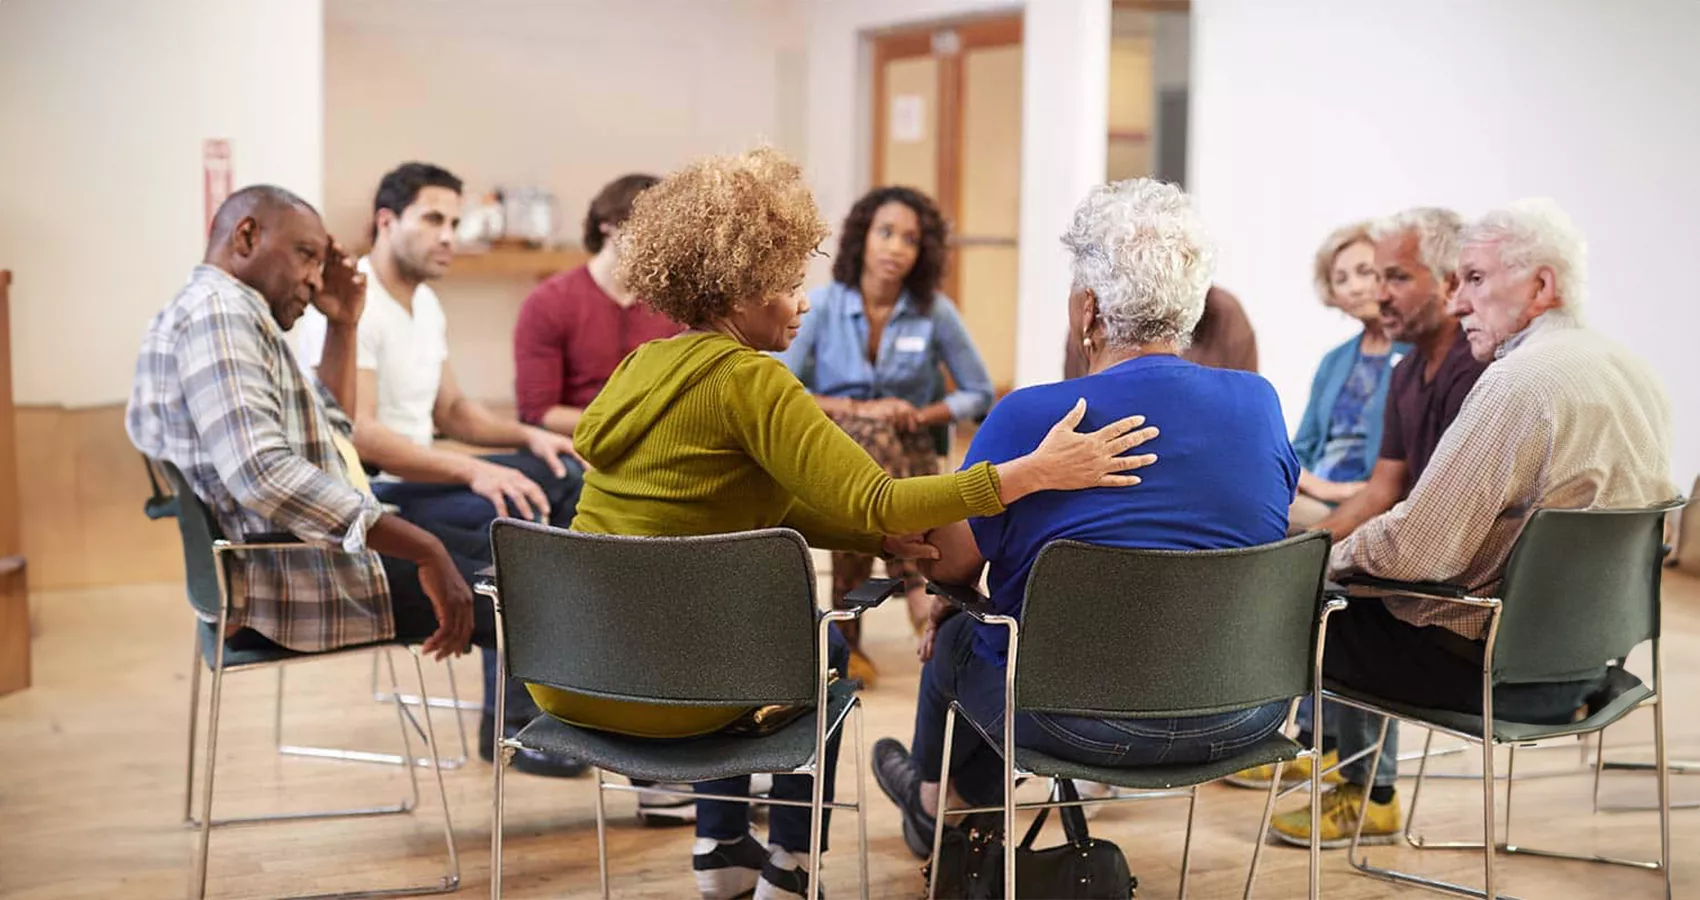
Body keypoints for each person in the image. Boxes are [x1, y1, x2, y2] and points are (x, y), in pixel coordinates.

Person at [553, 147, 1158, 900]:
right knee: (822, 652)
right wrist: (1031, 472)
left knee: (727, 623)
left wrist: (868, 541)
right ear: (738, 290)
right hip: (682, 694)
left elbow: (741, 504)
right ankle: (792, 865)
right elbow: (882, 497)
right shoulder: (751, 380)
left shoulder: (641, 368)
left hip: (579, 676)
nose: (801, 304)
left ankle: (721, 848)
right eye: (784, 285)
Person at [868, 178, 1298, 860]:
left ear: (1087, 310)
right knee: (981, 628)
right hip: (1238, 713)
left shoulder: (1033, 417)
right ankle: (944, 799)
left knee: (957, 632)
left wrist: (963, 591)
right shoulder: (1259, 405)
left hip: (1073, 724)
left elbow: (947, 566)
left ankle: (940, 805)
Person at [1270, 198, 1681, 848]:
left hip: (1497, 677)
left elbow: (1414, 549)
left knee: (1295, 610)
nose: (1460, 302)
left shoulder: (1516, 383)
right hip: (1591, 669)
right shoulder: (1635, 373)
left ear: (1542, 285)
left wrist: (1304, 570)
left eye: (1477, 281)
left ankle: (1237, 752)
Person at [126, 185, 486, 732]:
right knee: (531, 588)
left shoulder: (225, 312)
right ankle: (572, 753)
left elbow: (334, 431)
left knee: (506, 554)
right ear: (246, 236)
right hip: (294, 584)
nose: (317, 280)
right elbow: (262, 475)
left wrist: (343, 323)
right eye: (305, 255)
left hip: (297, 566)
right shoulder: (220, 314)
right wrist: (423, 549)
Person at [294, 162, 584, 776]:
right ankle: (514, 723)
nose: (448, 234)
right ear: (386, 221)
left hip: (426, 472)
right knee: (513, 517)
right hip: (380, 489)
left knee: (563, 478)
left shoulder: (423, 302)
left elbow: (453, 411)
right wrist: (469, 472)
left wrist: (531, 435)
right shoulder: (355, 306)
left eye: (454, 221)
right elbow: (361, 431)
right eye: (432, 219)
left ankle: (565, 694)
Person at [776, 186, 995, 686]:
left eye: (910, 239)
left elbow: (978, 392)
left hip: (907, 447)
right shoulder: (823, 306)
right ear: (863, 238)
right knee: (860, 445)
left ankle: (847, 632)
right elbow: (782, 387)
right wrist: (859, 408)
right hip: (835, 443)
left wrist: (925, 413)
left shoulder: (934, 310)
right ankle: (919, 582)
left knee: (864, 465)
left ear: (923, 253)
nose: (896, 247)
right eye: (886, 233)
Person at [1312, 208, 1489, 542]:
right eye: (1378, 278)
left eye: (1397, 278)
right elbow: (1381, 490)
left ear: (1450, 283)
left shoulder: (1478, 365)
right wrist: (1302, 549)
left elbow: (1448, 510)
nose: (1380, 295)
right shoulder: (1406, 372)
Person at [514, 173, 681, 436]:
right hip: (575, 442)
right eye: (646, 222)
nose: (658, 235)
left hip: (654, 443)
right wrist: (624, 426)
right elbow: (537, 412)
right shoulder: (549, 301)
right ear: (608, 224)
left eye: (667, 225)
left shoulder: (674, 303)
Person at [1289, 223, 1407, 529]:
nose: (1354, 287)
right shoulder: (1334, 361)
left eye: (1364, 271)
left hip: (1371, 503)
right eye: (1341, 278)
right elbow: (1301, 448)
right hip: (1319, 494)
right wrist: (1322, 487)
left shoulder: (1414, 354)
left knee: (1256, 519)